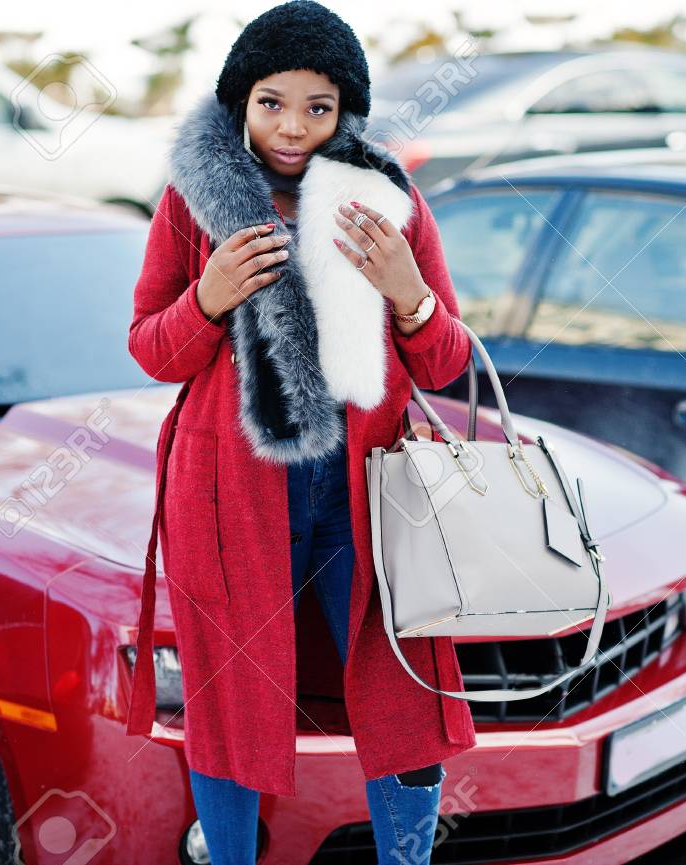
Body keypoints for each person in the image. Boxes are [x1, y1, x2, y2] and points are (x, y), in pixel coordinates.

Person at [126, 2, 477, 862]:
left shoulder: (387, 197)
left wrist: (409, 291)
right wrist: (207, 299)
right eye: (273, 102)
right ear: (241, 100)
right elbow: (149, 349)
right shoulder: (193, 198)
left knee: (406, 690)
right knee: (234, 703)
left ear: (344, 109)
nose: (293, 127)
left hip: (367, 492)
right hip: (229, 493)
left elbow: (445, 363)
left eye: (318, 106)